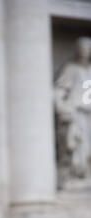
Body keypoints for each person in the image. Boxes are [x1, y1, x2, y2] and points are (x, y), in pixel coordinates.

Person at [55, 37, 91, 183]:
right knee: (77, 146)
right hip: (76, 112)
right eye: (81, 48)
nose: (84, 51)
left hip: (89, 114)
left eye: (87, 48)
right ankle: (75, 176)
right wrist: (61, 105)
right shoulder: (70, 68)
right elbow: (59, 90)